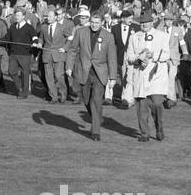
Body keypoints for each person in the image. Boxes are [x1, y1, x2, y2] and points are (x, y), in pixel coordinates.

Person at [68, 9, 119, 140]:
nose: (94, 25)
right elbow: (72, 50)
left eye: (97, 22)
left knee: (96, 101)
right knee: (86, 100)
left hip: (100, 74)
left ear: (102, 23)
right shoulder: (80, 32)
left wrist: (113, 77)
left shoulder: (108, 36)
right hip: (84, 71)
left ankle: (95, 131)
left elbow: (112, 58)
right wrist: (69, 66)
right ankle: (96, 117)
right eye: (92, 22)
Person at [125, 8, 170, 142]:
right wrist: (138, 59)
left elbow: (166, 54)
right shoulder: (134, 37)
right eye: (142, 23)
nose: (144, 25)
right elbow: (129, 56)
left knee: (156, 104)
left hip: (156, 75)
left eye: (147, 22)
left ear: (152, 22)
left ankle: (159, 128)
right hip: (140, 75)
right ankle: (144, 133)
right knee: (141, 107)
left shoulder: (162, 36)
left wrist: (153, 56)